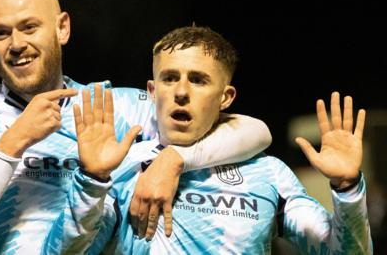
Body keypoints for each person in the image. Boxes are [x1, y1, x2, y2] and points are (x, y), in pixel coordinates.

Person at [0, 0, 271, 254]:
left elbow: (256, 132)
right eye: (1, 33)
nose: (16, 43)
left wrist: (176, 158)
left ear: (62, 28)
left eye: (29, 27)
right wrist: (10, 145)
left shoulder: (112, 107)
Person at [67, 26, 373, 254]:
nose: (181, 92)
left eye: (198, 80)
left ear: (225, 97)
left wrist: (347, 190)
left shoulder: (268, 172)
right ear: (151, 91)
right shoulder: (122, 168)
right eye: (169, 78)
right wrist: (92, 180)